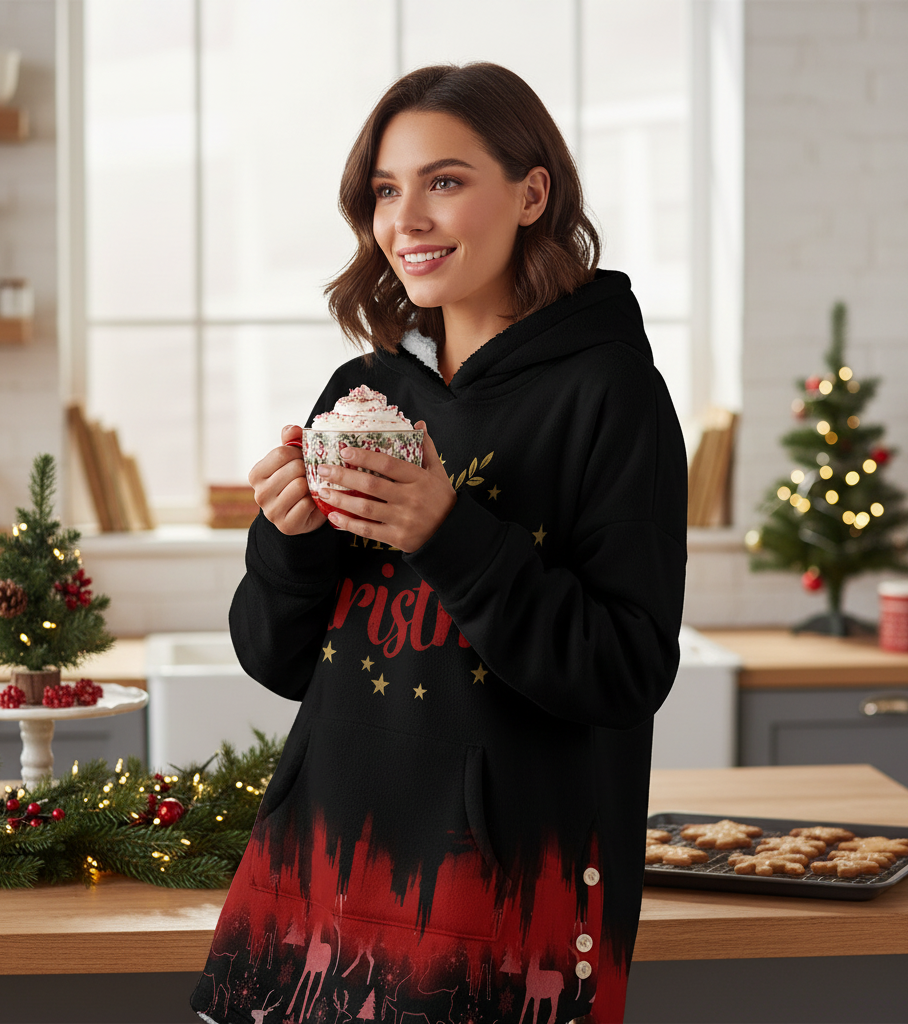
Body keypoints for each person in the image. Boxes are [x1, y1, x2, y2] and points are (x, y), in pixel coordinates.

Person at [191, 62, 686, 1024]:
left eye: (444, 182)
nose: (406, 219)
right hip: (316, 880)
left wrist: (449, 534)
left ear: (532, 194)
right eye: (386, 191)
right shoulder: (363, 391)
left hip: (503, 907)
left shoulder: (613, 395)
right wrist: (291, 540)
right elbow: (277, 660)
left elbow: (625, 671)